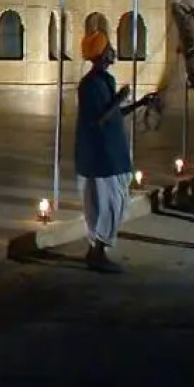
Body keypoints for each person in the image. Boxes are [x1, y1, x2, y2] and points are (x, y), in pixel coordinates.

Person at [74, 30, 151, 274]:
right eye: (110, 47)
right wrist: (119, 99)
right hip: (100, 155)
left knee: (115, 201)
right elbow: (98, 119)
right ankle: (98, 253)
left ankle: (96, 250)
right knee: (107, 204)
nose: (114, 51)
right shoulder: (90, 84)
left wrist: (140, 103)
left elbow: (113, 114)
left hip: (113, 152)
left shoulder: (105, 80)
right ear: (102, 54)